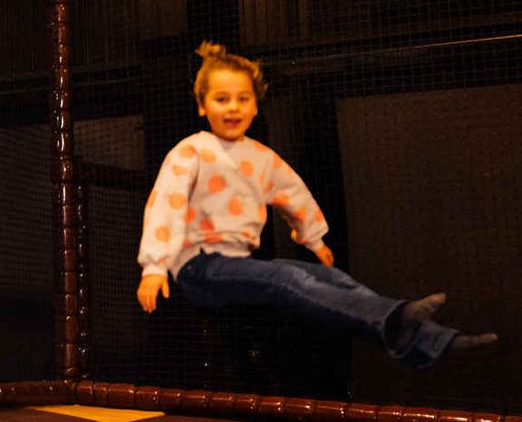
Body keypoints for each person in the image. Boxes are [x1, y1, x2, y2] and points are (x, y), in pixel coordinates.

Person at [136, 42, 495, 366]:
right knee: (287, 277)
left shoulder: (261, 157)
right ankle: (405, 323)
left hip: (237, 265)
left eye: (242, 99)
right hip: (199, 267)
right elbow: (166, 202)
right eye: (221, 99)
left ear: (256, 105)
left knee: (334, 278)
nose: (233, 108)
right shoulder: (192, 150)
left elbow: (294, 193)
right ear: (202, 105)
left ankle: (436, 341)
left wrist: (313, 237)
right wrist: (155, 265)